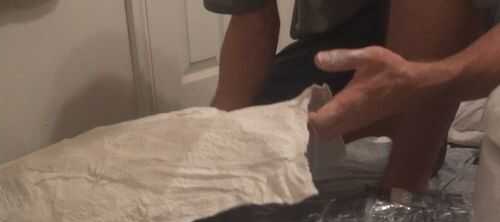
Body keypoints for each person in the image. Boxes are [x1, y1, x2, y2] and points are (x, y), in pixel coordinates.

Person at [204, 0, 500, 192]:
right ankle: (404, 123)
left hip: (445, 19)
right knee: (259, 139)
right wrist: (217, 133)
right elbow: (251, 20)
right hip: (349, 32)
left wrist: (426, 81)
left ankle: (406, 180)